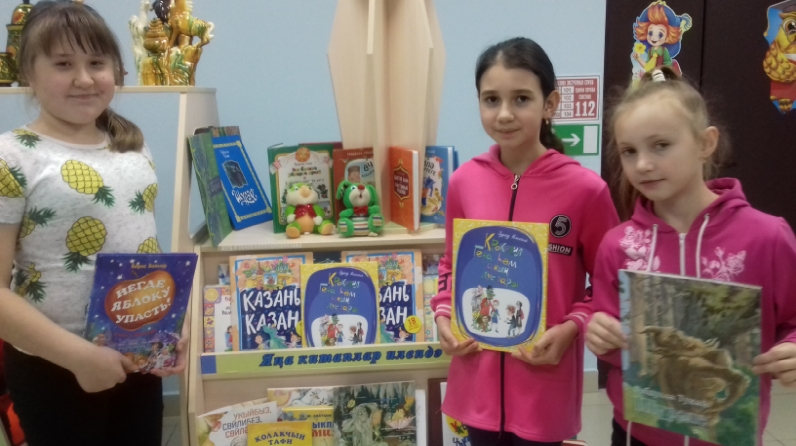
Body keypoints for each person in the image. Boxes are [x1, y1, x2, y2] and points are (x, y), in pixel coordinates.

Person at [0, 2, 187, 445]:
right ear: (28, 72)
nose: (84, 79)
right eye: (63, 64)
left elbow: (142, 251)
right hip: (54, 364)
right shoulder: (13, 157)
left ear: (116, 70)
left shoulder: (132, 146)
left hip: (137, 353)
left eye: (97, 63)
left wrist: (167, 328)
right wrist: (79, 358)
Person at [585, 67, 796, 446]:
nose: (642, 164)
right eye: (629, 151)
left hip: (727, 435)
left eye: (661, 145)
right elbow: (611, 332)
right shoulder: (617, 245)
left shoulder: (766, 237)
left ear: (705, 142)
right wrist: (600, 332)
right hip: (636, 433)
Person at [430, 37, 619, 445]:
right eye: (491, 99)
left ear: (549, 104)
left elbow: (611, 281)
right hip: (477, 381)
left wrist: (572, 327)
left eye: (521, 99)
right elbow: (450, 264)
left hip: (544, 382)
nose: (504, 114)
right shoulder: (464, 182)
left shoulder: (586, 190)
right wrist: (443, 313)